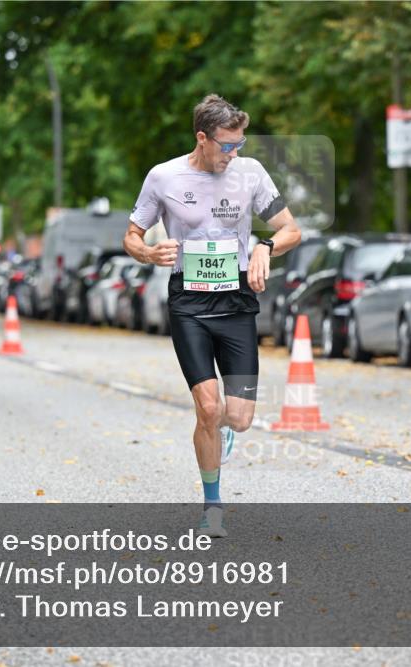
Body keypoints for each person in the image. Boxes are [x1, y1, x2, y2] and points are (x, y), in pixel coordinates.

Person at [123, 94, 301, 537]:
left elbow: (291, 229)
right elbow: (131, 235)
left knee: (237, 417)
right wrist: (147, 252)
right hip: (189, 303)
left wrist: (265, 247)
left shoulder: (250, 173)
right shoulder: (164, 177)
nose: (233, 153)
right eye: (225, 145)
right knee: (207, 407)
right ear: (201, 138)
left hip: (237, 301)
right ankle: (213, 507)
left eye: (238, 144)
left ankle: (222, 428)